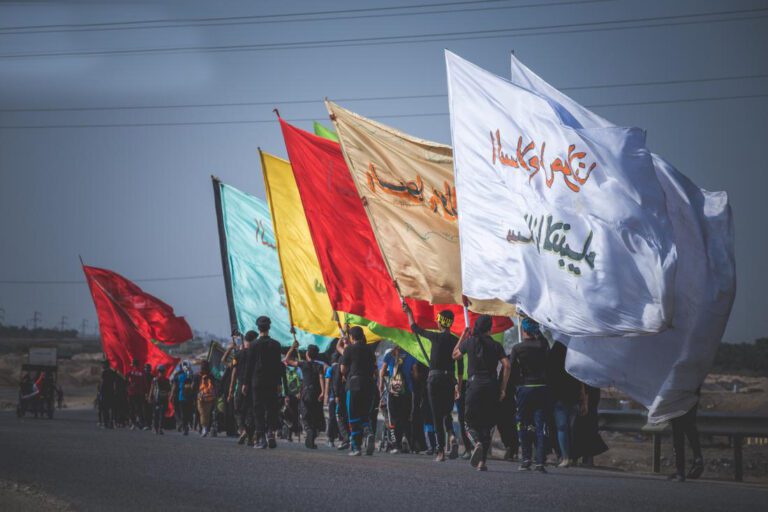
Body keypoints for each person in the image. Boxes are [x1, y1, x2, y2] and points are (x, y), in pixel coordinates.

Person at [406, 304, 463, 462]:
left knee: (436, 415)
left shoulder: (435, 337)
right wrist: (458, 384)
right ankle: (451, 434)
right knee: (446, 411)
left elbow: (415, 328)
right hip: (450, 379)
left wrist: (409, 312)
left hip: (434, 379)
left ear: (440, 322)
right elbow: (460, 364)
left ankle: (440, 452)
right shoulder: (456, 341)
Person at [453, 315, 510, 471]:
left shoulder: (470, 342)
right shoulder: (496, 345)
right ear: (490, 329)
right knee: (487, 425)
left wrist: (463, 336)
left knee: (468, 422)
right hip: (491, 387)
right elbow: (507, 365)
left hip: (474, 386)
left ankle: (476, 442)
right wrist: (503, 388)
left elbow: (454, 355)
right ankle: (482, 463)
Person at [509, 317, 550, 473]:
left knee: (523, 424)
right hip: (542, 389)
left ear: (523, 330)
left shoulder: (517, 348)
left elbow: (512, 371)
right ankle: (540, 461)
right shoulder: (543, 345)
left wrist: (515, 387)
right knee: (541, 426)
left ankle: (526, 459)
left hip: (525, 389)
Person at [243, 316, 283, 449]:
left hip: (257, 381)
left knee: (258, 409)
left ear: (258, 328)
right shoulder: (276, 344)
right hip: (271, 381)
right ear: (269, 327)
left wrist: (245, 383)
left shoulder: (253, 345)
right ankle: (271, 433)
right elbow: (278, 366)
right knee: (271, 408)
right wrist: (279, 383)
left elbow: (249, 365)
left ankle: (261, 438)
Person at [339, 326, 377, 456]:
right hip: (369, 385)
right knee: (364, 414)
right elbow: (374, 369)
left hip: (354, 384)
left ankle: (356, 447)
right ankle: (368, 431)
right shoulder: (369, 350)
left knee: (353, 416)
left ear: (351, 337)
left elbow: (343, 370)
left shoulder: (349, 349)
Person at [547, 341, 584, 468]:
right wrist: (583, 398)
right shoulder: (575, 357)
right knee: (573, 429)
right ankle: (574, 457)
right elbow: (581, 380)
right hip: (573, 397)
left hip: (558, 398)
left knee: (562, 428)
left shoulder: (553, 359)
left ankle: (565, 457)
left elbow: (549, 378)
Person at [285, 341, 327, 449]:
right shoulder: (319, 366)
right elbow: (321, 378)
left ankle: (308, 431)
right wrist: (323, 392)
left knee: (305, 414)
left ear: (307, 354)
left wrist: (292, 348)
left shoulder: (303, 364)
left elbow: (287, 360)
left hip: (306, 393)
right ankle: (311, 441)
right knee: (315, 415)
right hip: (316, 393)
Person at [379, 346, 417, 454]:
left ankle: (395, 445)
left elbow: (382, 373)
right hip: (407, 391)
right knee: (406, 417)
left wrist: (381, 387)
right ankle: (407, 441)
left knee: (393, 419)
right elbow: (415, 374)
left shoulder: (389, 355)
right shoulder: (411, 355)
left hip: (393, 391)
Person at [668, 390, 704, 482]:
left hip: (678, 394)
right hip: (693, 393)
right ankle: (698, 457)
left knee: (678, 431)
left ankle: (680, 471)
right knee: (690, 426)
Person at [229, 331, 253, 445]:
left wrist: (230, 392)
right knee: (250, 411)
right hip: (252, 387)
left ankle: (243, 430)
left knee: (238, 411)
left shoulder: (238, 355)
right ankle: (251, 436)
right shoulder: (255, 354)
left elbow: (233, 375)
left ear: (245, 341)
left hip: (240, 386)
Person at [172, 361, 195, 435]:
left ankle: (184, 427)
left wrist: (171, 395)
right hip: (190, 398)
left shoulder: (178, 376)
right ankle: (187, 425)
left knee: (183, 413)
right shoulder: (192, 375)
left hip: (181, 397)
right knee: (188, 413)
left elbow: (174, 386)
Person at [195, 360, 217, 437]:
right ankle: (204, 428)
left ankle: (204, 428)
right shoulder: (210, 376)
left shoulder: (198, 376)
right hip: (206, 398)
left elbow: (194, 387)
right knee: (204, 413)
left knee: (204, 413)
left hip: (204, 398)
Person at [325, 352, 342, 448]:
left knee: (332, 418)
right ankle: (342, 437)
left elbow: (327, 383)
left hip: (332, 397)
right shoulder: (341, 368)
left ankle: (330, 439)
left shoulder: (330, 369)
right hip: (341, 397)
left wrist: (326, 396)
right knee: (341, 417)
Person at [149, 365, 171, 434]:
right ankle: (157, 428)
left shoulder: (166, 380)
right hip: (157, 398)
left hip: (162, 399)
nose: (162, 373)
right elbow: (152, 388)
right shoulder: (156, 380)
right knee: (157, 414)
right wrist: (150, 396)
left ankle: (159, 428)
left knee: (160, 414)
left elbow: (169, 390)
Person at [127, 358, 147, 430]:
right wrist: (145, 392)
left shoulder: (130, 372)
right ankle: (141, 423)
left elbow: (126, 379)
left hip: (131, 393)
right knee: (139, 409)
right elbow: (145, 383)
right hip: (140, 393)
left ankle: (134, 423)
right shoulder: (142, 372)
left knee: (132, 409)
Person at [99, 360, 117, 429]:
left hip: (105, 392)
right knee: (112, 409)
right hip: (111, 392)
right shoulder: (112, 372)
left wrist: (100, 392)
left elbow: (103, 383)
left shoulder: (104, 372)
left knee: (105, 409)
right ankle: (111, 422)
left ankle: (106, 423)